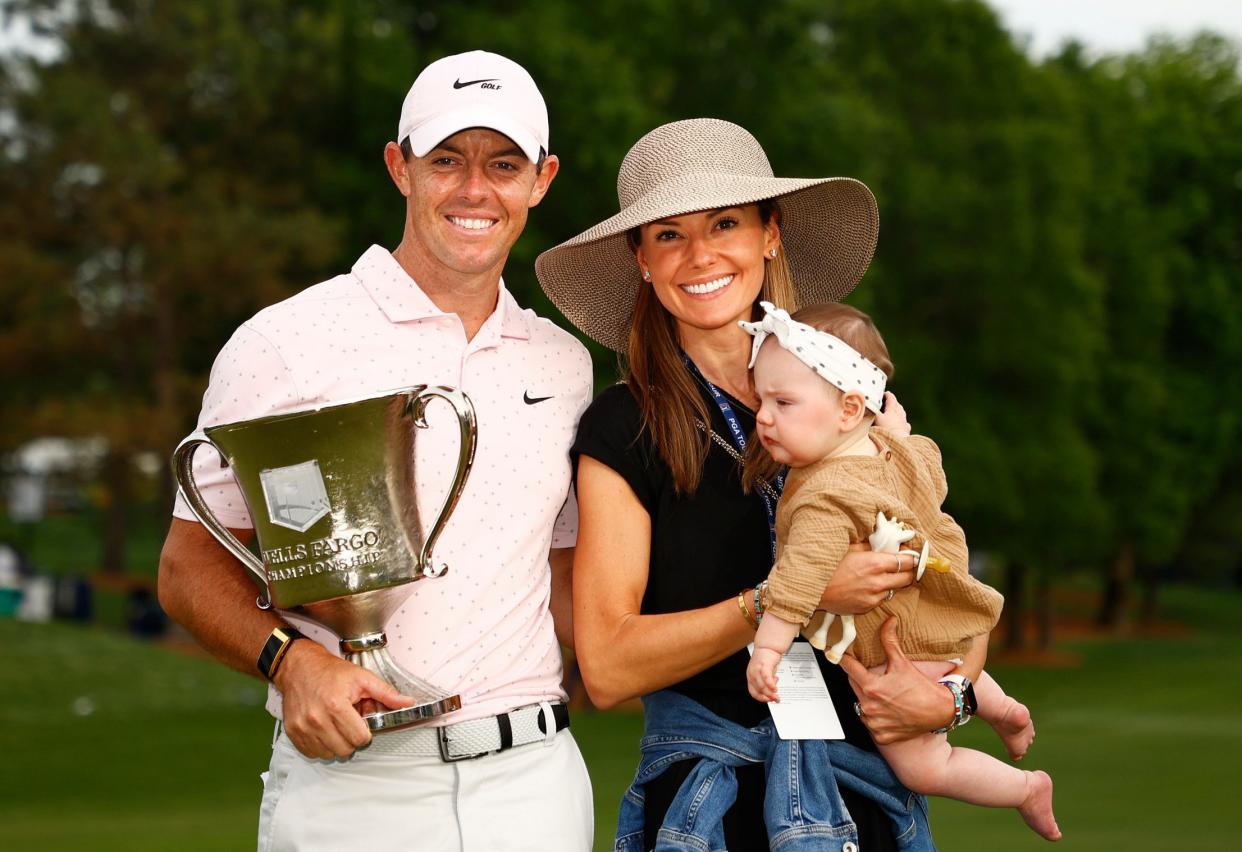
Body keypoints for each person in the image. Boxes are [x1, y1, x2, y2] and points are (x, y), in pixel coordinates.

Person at [157, 50, 595, 851]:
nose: (474, 190)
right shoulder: (286, 340)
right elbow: (187, 568)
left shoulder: (563, 363)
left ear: (542, 179)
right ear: (400, 168)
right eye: (446, 161)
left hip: (536, 783)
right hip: (352, 785)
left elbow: (567, 578)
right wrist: (290, 663)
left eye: (503, 164)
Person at [536, 118, 965, 850]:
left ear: (771, 233)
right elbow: (605, 667)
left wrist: (946, 699)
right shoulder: (624, 426)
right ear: (639, 258)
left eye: (725, 223)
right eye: (668, 234)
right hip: (714, 804)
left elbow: (945, 581)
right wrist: (784, 599)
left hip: (865, 795)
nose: (699, 254)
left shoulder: (848, 392)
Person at [742, 301, 1061, 841]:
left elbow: (796, 584)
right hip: (937, 626)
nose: (765, 417)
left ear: (848, 410)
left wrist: (769, 649)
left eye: (784, 402)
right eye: (761, 400)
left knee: (924, 768)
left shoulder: (824, 495)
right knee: (948, 664)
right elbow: (931, 474)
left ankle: (1024, 787)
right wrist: (894, 430)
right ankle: (1002, 707)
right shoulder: (891, 452)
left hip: (897, 654)